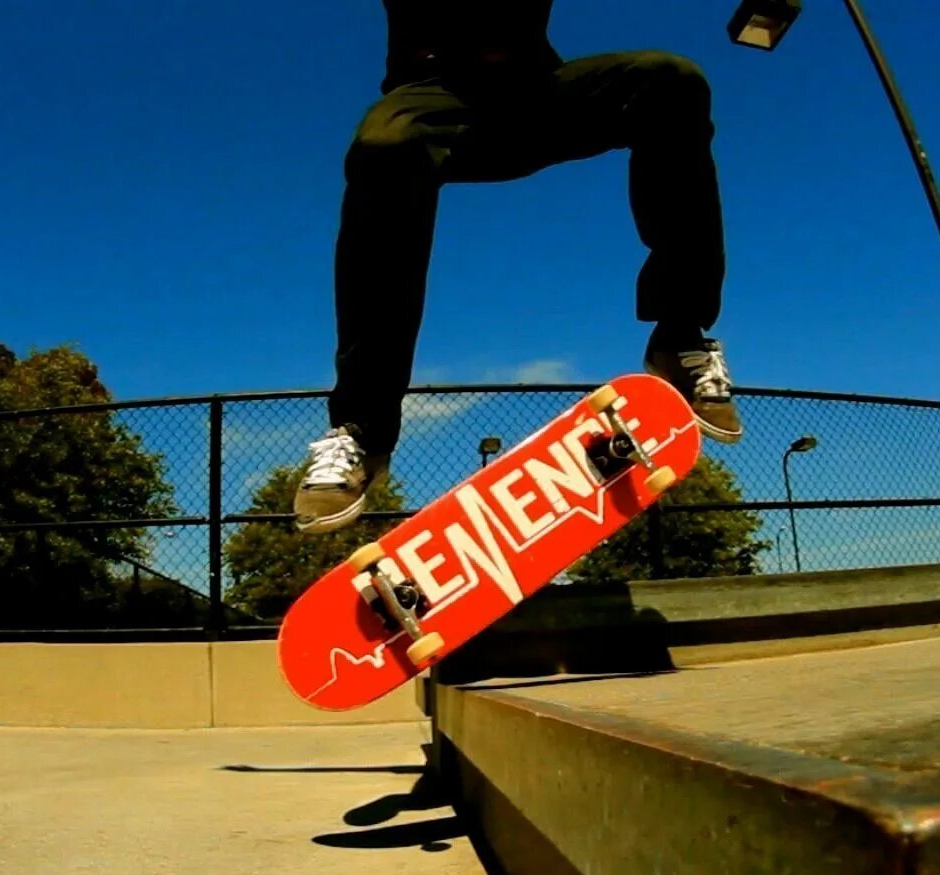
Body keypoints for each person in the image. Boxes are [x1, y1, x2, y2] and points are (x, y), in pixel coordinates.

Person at [293, 0, 739, 534]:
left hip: (537, 97)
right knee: (385, 146)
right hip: (438, 103)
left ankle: (678, 335)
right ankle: (362, 427)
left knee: (671, 81)